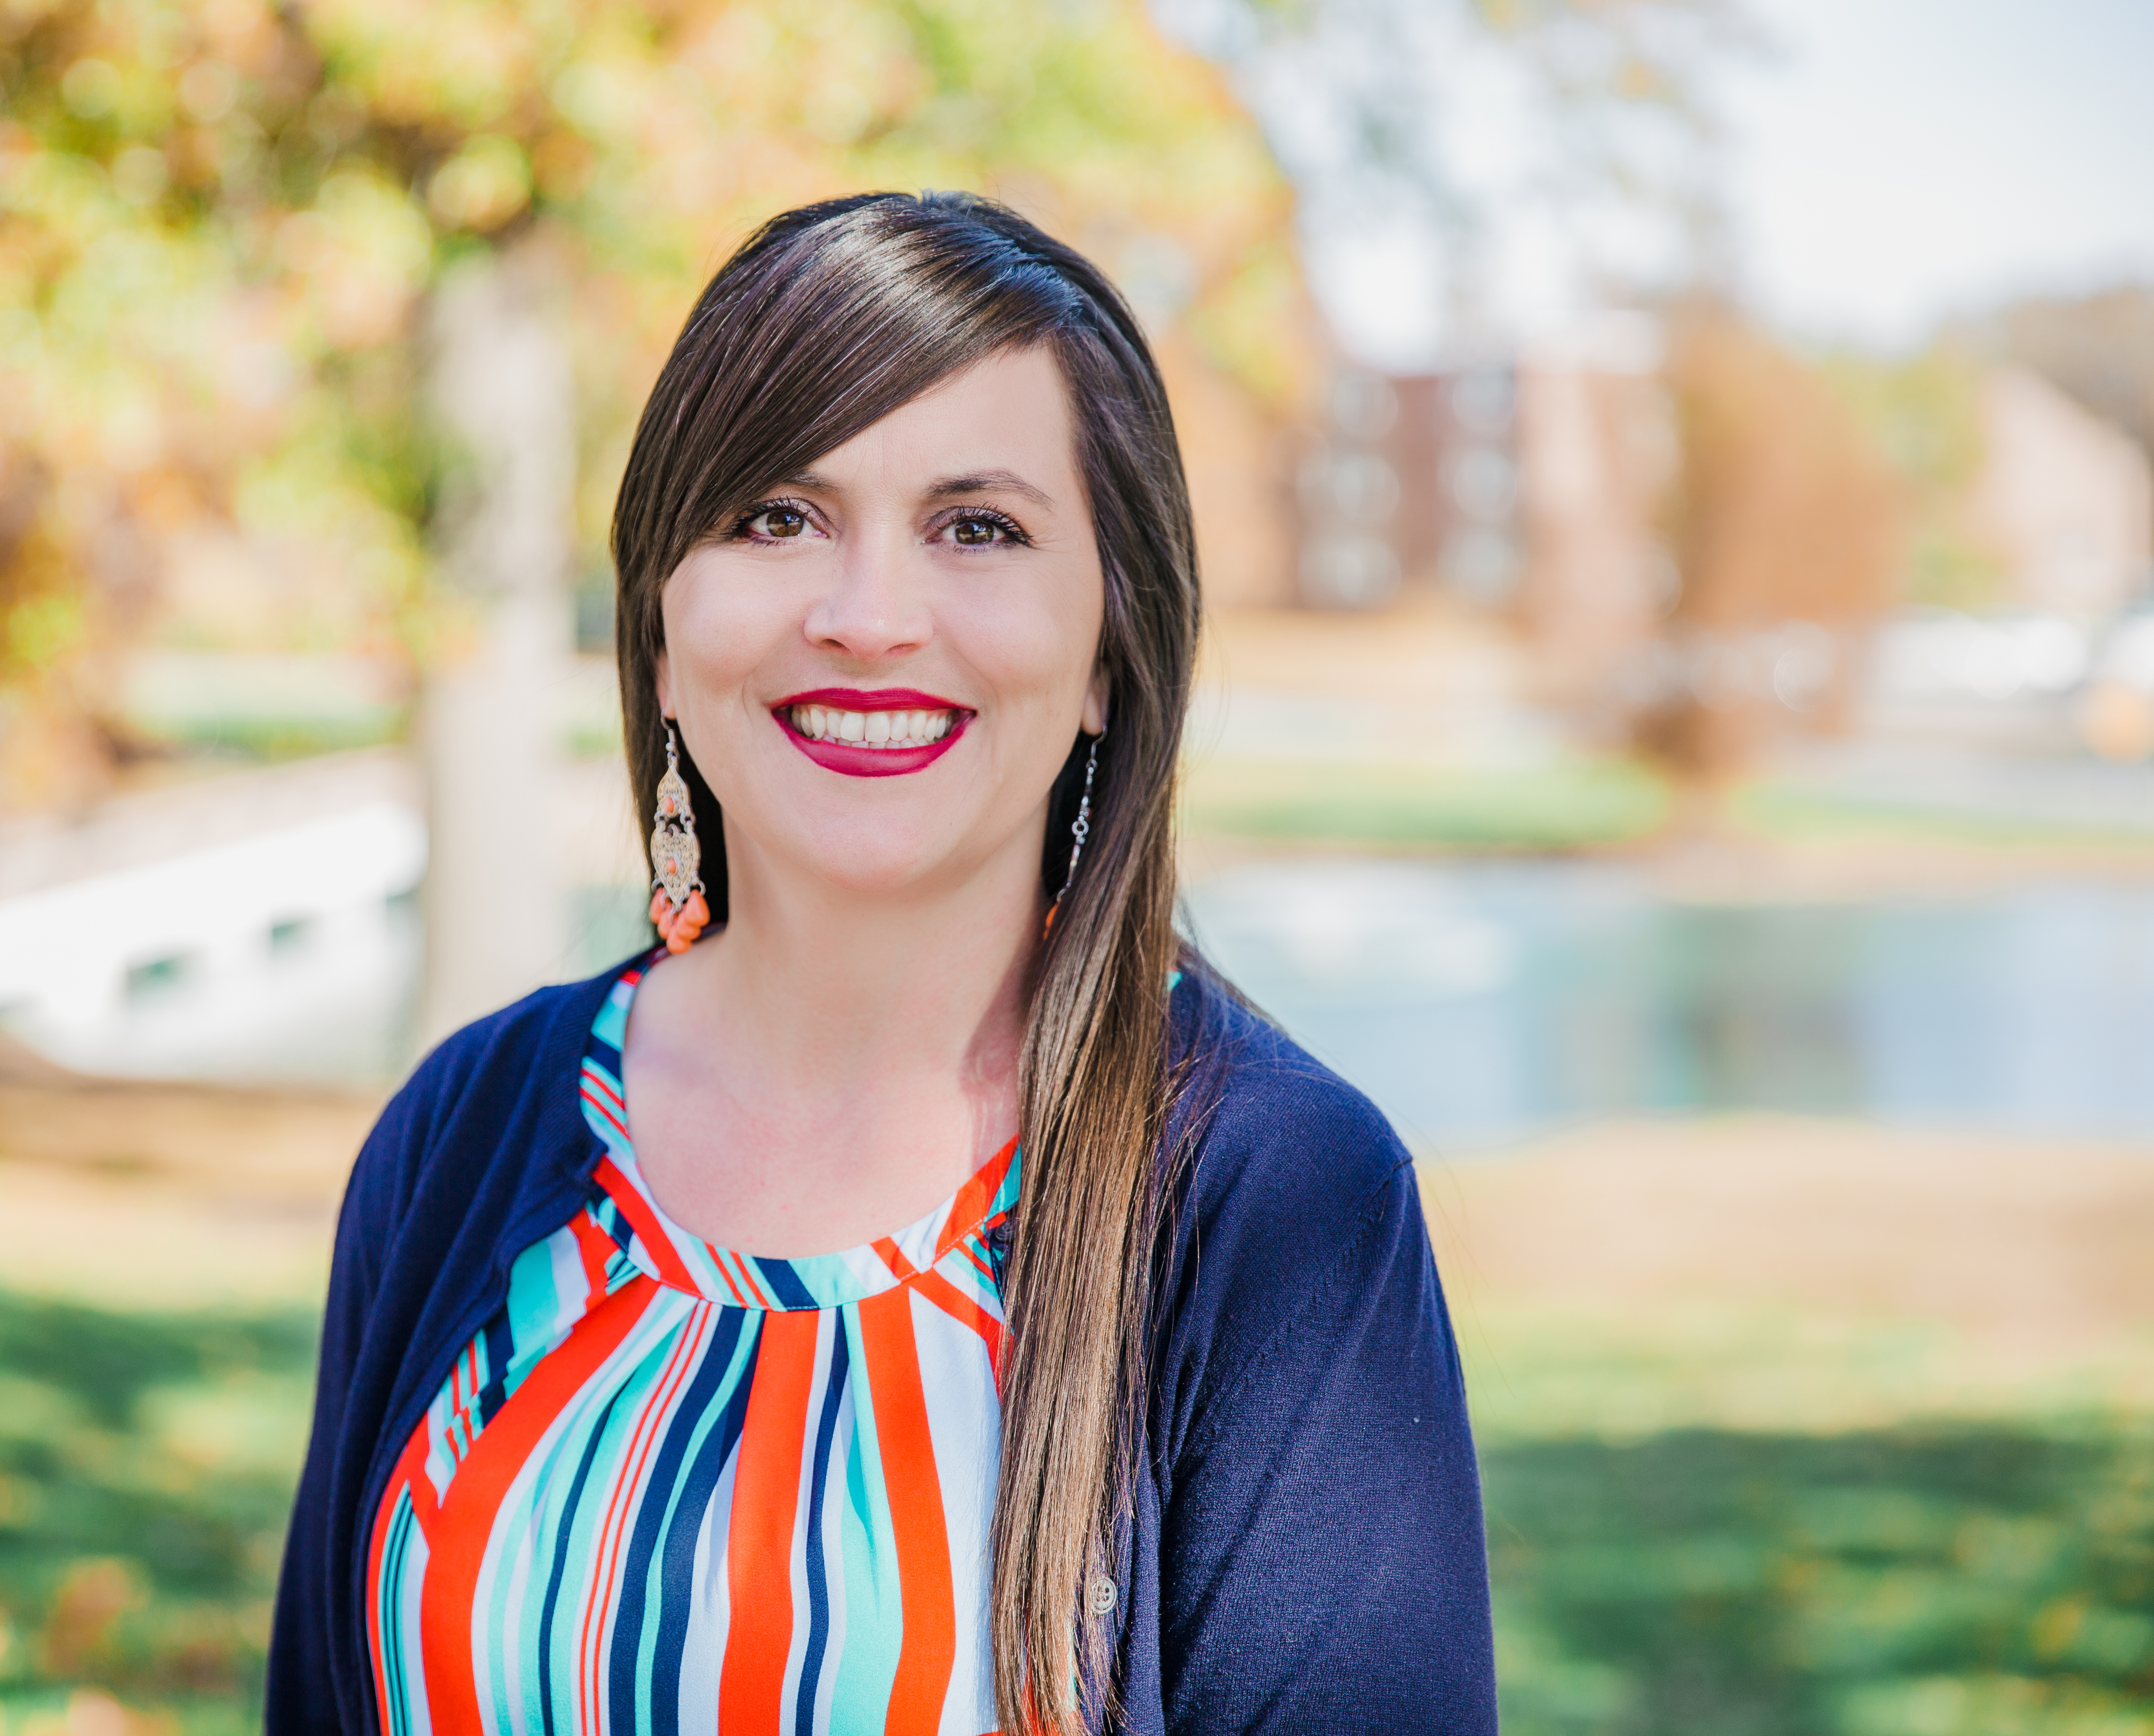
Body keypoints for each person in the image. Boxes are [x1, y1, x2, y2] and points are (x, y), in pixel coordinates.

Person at [267, 192, 1494, 1736]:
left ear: (1113, 650)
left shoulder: (1279, 1209)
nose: (867, 618)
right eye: (777, 516)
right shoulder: (465, 1132)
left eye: (977, 528)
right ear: (662, 612)